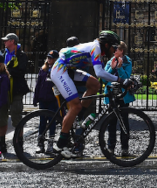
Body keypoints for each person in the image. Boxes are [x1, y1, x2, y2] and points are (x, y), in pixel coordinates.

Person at [50, 30, 126, 158]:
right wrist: (121, 80)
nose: (114, 51)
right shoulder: (95, 48)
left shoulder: (98, 51)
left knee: (95, 84)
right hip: (60, 70)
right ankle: (60, 145)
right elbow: (100, 73)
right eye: (114, 47)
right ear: (106, 44)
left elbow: (102, 75)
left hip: (68, 69)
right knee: (75, 106)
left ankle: (78, 118)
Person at [0, 33, 30, 155]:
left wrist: (5, 69)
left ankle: (18, 143)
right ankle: (2, 143)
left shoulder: (22, 56)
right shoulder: (2, 54)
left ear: (12, 41)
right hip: (3, 90)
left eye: (6, 40)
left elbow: (21, 71)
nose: (4, 42)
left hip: (16, 90)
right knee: (2, 117)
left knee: (17, 117)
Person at [104, 41, 135, 155]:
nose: (113, 51)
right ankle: (110, 147)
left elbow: (126, 79)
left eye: (116, 49)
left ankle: (124, 148)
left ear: (121, 51)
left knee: (124, 122)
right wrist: (112, 69)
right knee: (111, 122)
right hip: (112, 94)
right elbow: (104, 79)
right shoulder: (110, 61)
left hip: (122, 95)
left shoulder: (127, 62)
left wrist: (120, 68)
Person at [33, 50, 60, 155]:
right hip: (43, 99)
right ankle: (40, 144)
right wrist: (36, 98)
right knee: (42, 122)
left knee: (52, 122)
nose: (50, 60)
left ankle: (50, 144)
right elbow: (38, 85)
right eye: (49, 58)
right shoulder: (43, 70)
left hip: (53, 100)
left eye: (52, 58)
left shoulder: (58, 70)